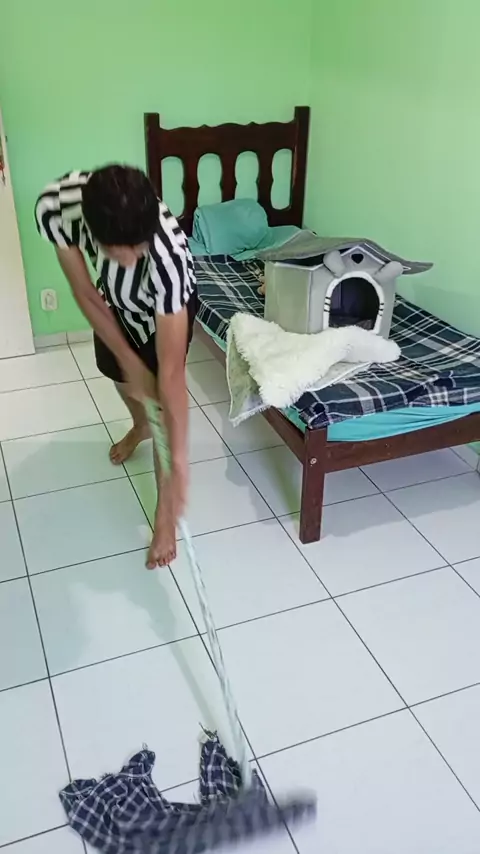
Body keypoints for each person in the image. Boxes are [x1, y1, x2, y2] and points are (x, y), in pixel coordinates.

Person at [35, 165, 197, 569]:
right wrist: (127, 358)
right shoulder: (58, 206)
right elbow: (84, 291)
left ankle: (163, 517)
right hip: (113, 303)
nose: (131, 259)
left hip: (163, 313)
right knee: (121, 378)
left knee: (162, 404)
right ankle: (141, 425)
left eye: (137, 249)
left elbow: (172, 374)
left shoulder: (168, 257)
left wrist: (179, 461)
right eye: (117, 252)